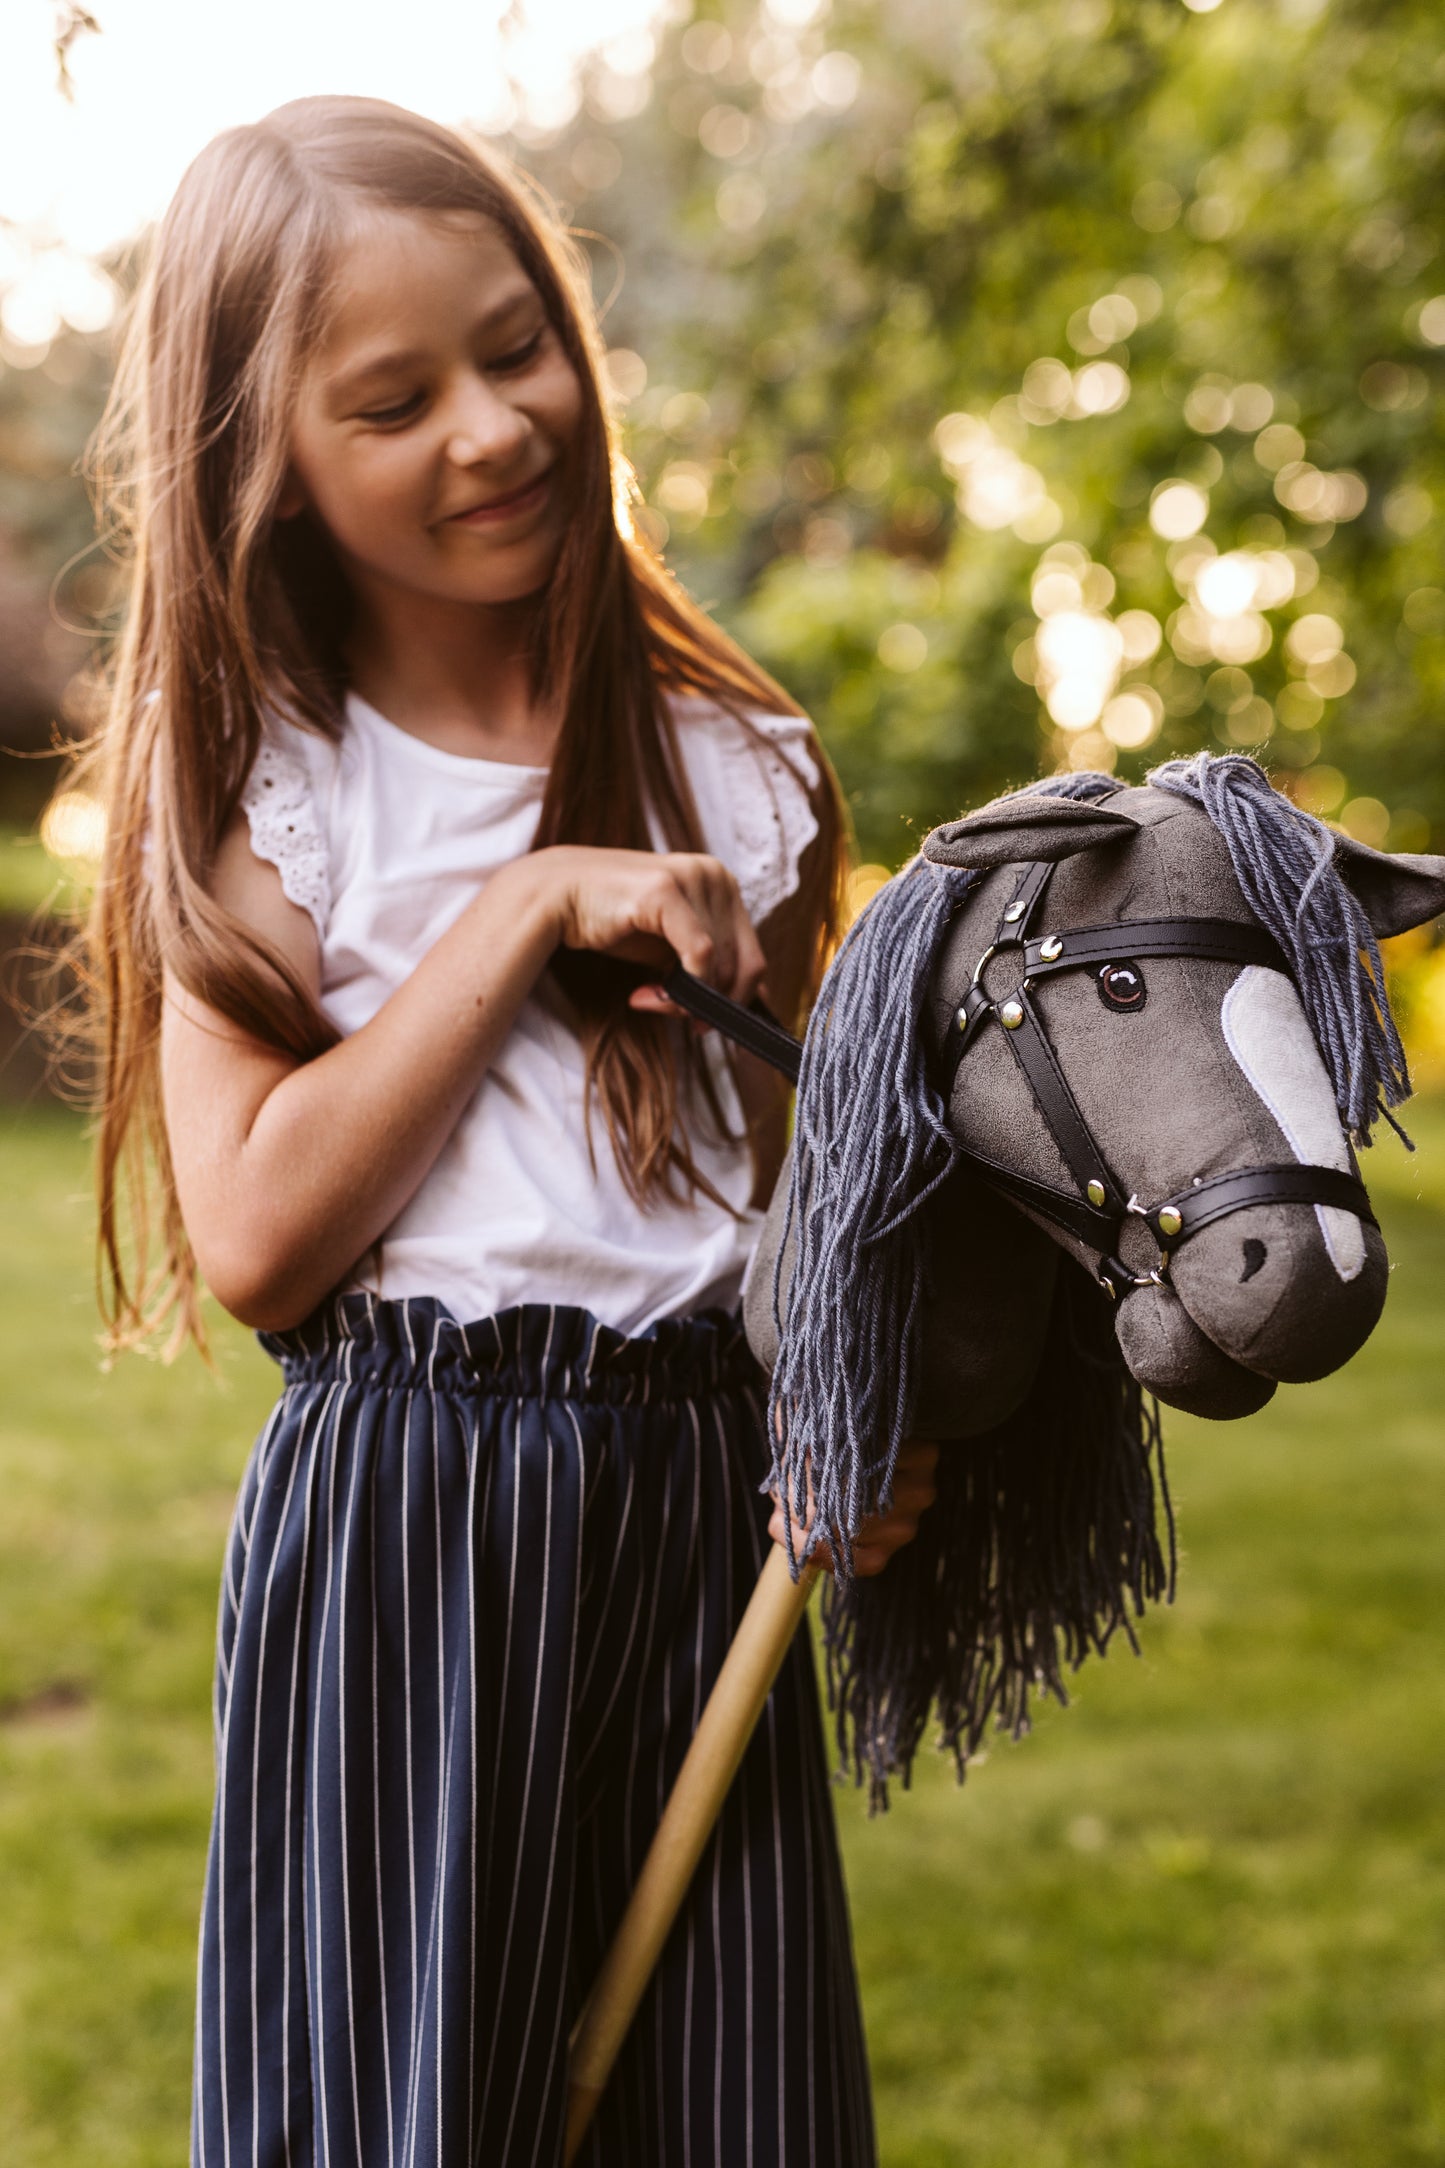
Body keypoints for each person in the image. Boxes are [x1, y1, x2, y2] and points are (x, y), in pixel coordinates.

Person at [76, 95, 937, 2168]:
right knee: (407, 2118)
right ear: (262, 460)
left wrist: (850, 1399)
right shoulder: (272, 788)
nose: (493, 423)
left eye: (515, 343)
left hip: (699, 1515)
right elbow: (263, 1230)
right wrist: (534, 898)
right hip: (415, 1528)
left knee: (734, 2121)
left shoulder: (744, 764)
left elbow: (788, 1195)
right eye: (396, 398)